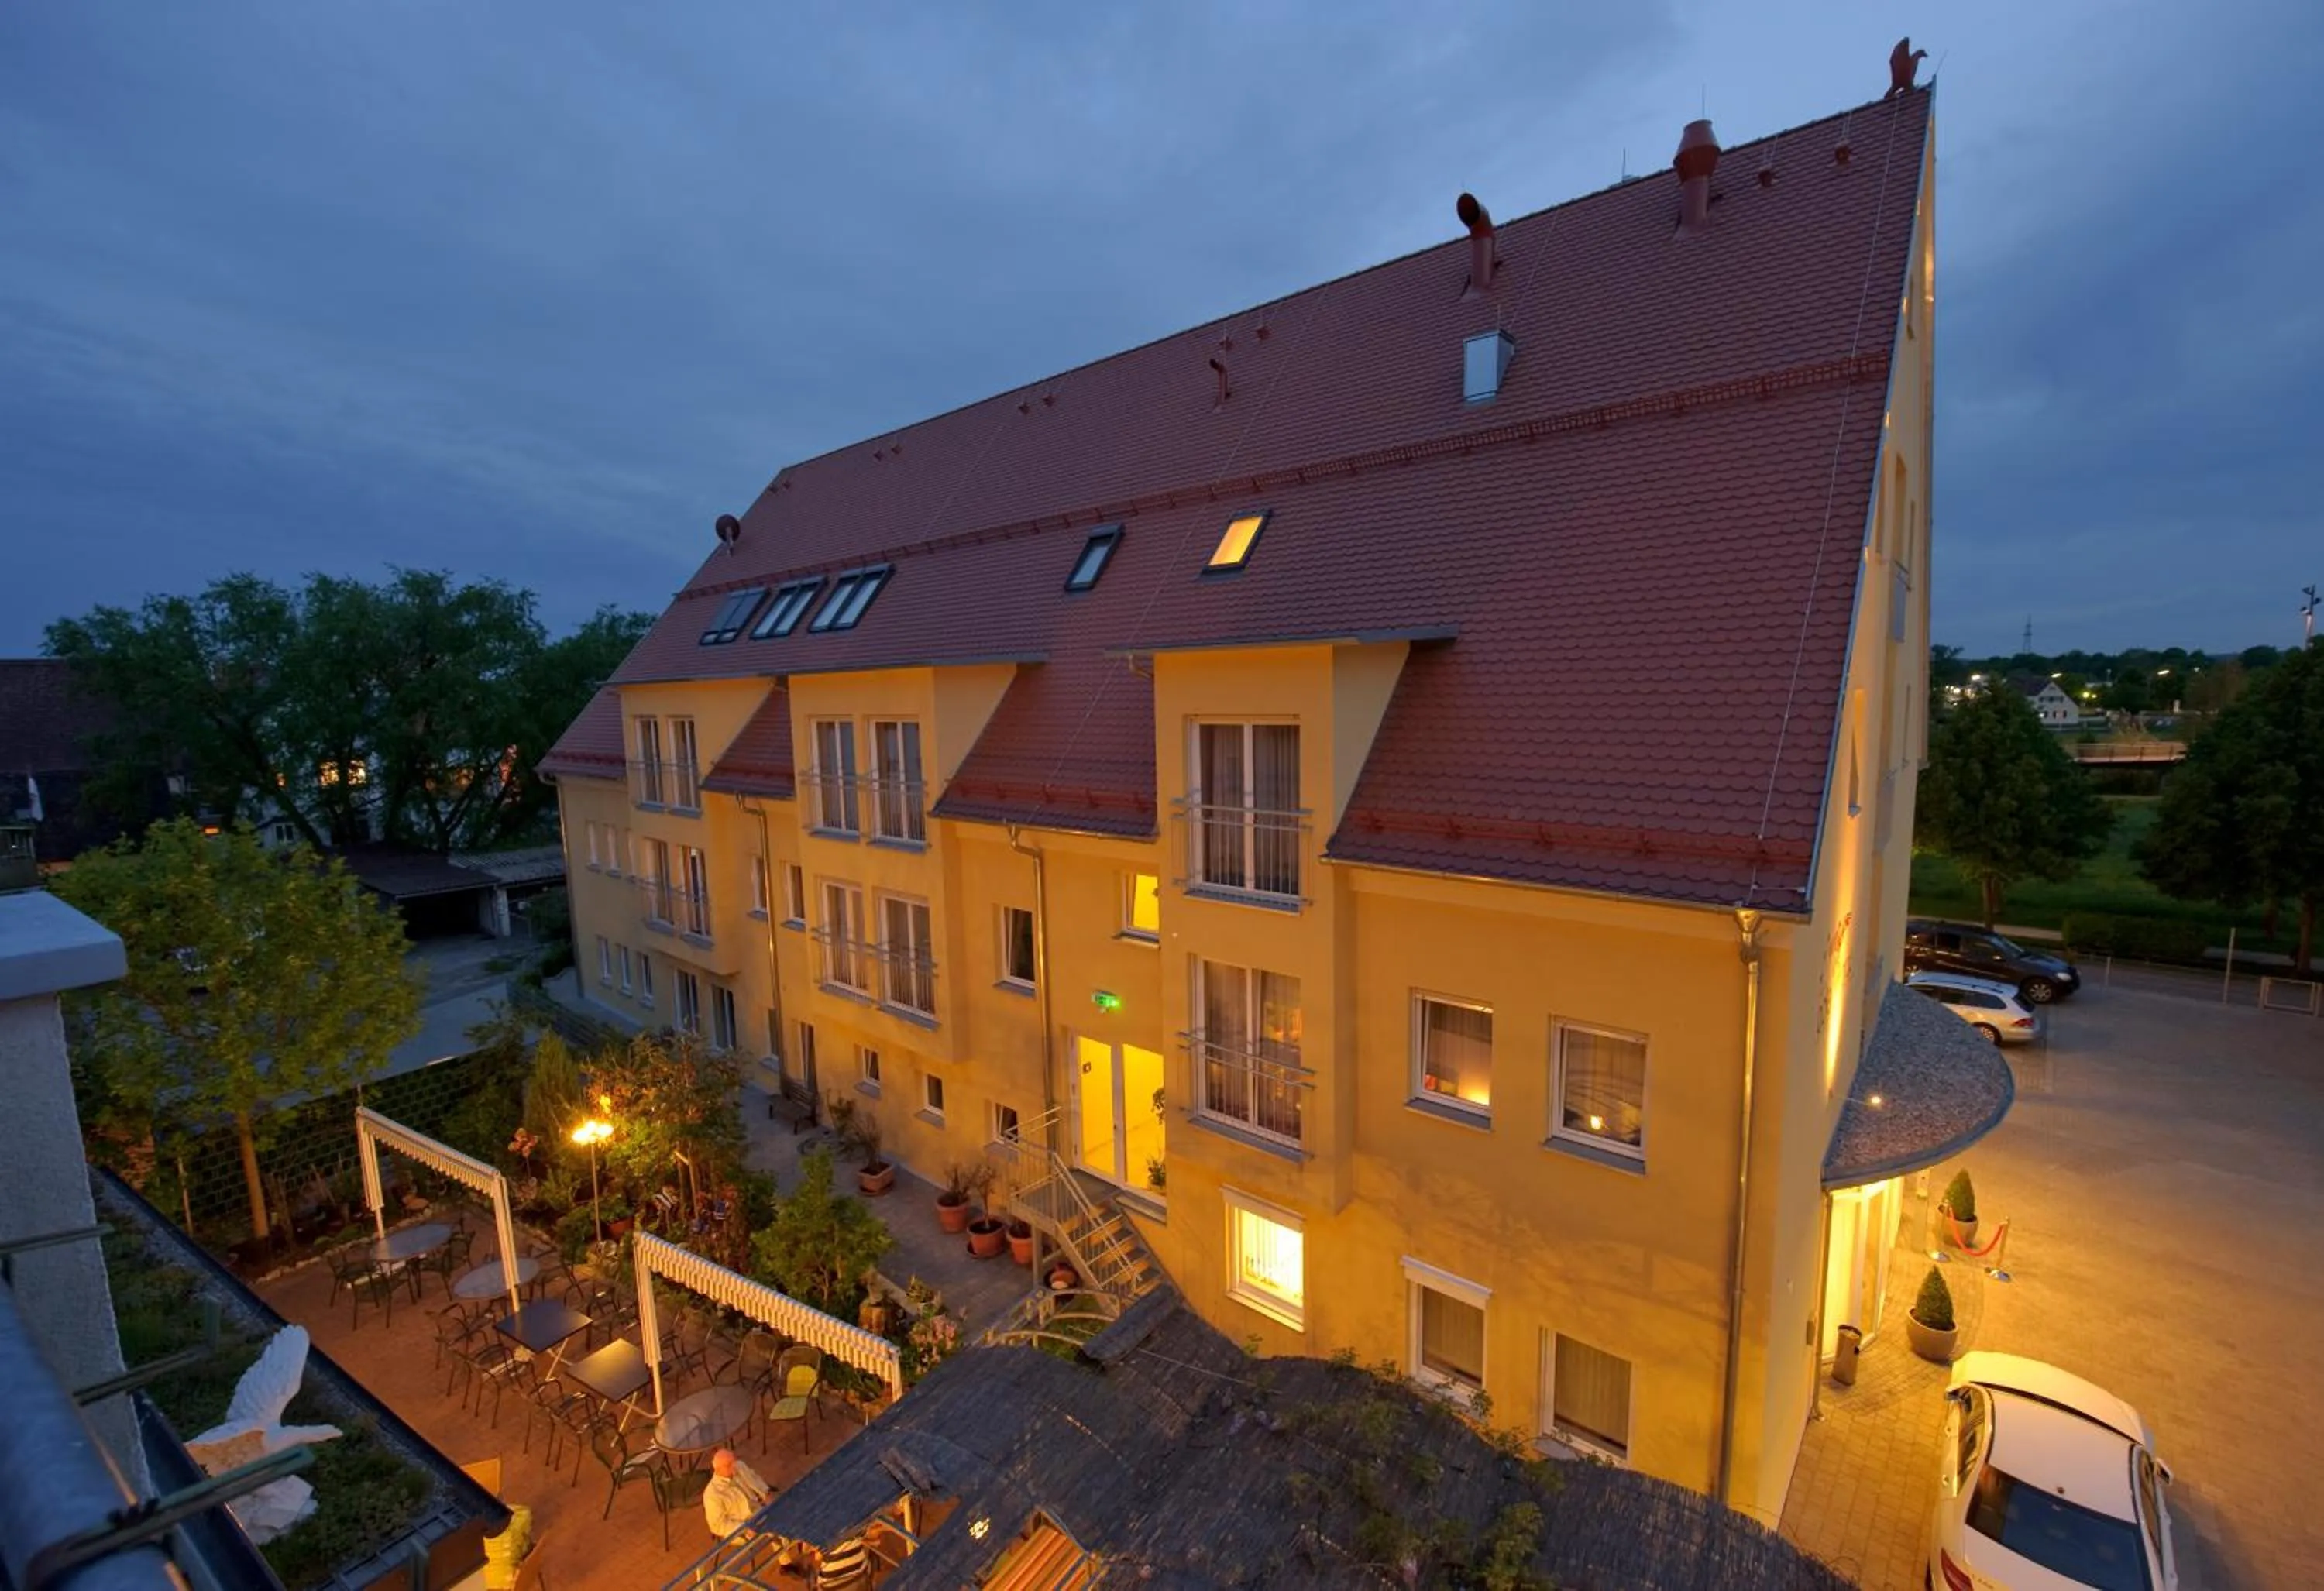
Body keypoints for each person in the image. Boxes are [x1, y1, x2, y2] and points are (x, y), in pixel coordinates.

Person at [703, 1447, 774, 1540]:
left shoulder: (739, 1466)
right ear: (717, 1469)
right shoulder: (712, 1495)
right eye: (728, 1465)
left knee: (783, 1516)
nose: (733, 1467)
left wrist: (766, 1493)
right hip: (744, 1524)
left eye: (734, 1461)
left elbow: (755, 1478)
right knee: (776, 1532)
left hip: (760, 1508)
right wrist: (744, 1527)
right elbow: (717, 1526)